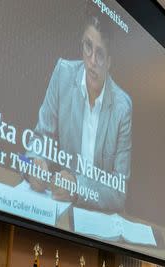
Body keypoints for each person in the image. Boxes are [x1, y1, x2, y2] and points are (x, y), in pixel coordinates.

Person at [29, 10, 132, 213]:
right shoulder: (63, 74)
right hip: (58, 207)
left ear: (109, 62)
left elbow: (119, 192)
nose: (92, 60)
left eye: (100, 54)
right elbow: (40, 138)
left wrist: (77, 186)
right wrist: (36, 162)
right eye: (88, 47)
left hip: (96, 218)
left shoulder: (122, 108)